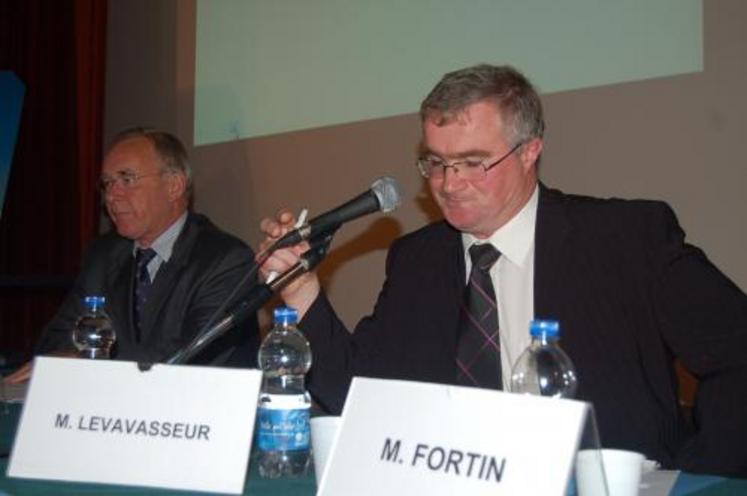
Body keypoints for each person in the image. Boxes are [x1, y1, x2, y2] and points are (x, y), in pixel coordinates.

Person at [258, 64, 747, 476]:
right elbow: (364, 395)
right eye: (435, 162)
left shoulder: (626, 239)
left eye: (473, 162)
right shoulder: (418, 260)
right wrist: (301, 291)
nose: (449, 184)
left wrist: (701, 475)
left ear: (530, 149)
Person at [5, 128, 259, 381]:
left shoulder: (225, 260)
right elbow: (55, 342)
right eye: (107, 183)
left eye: (127, 179)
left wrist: (90, 362)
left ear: (174, 185)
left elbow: (193, 363)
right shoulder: (102, 256)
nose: (111, 196)